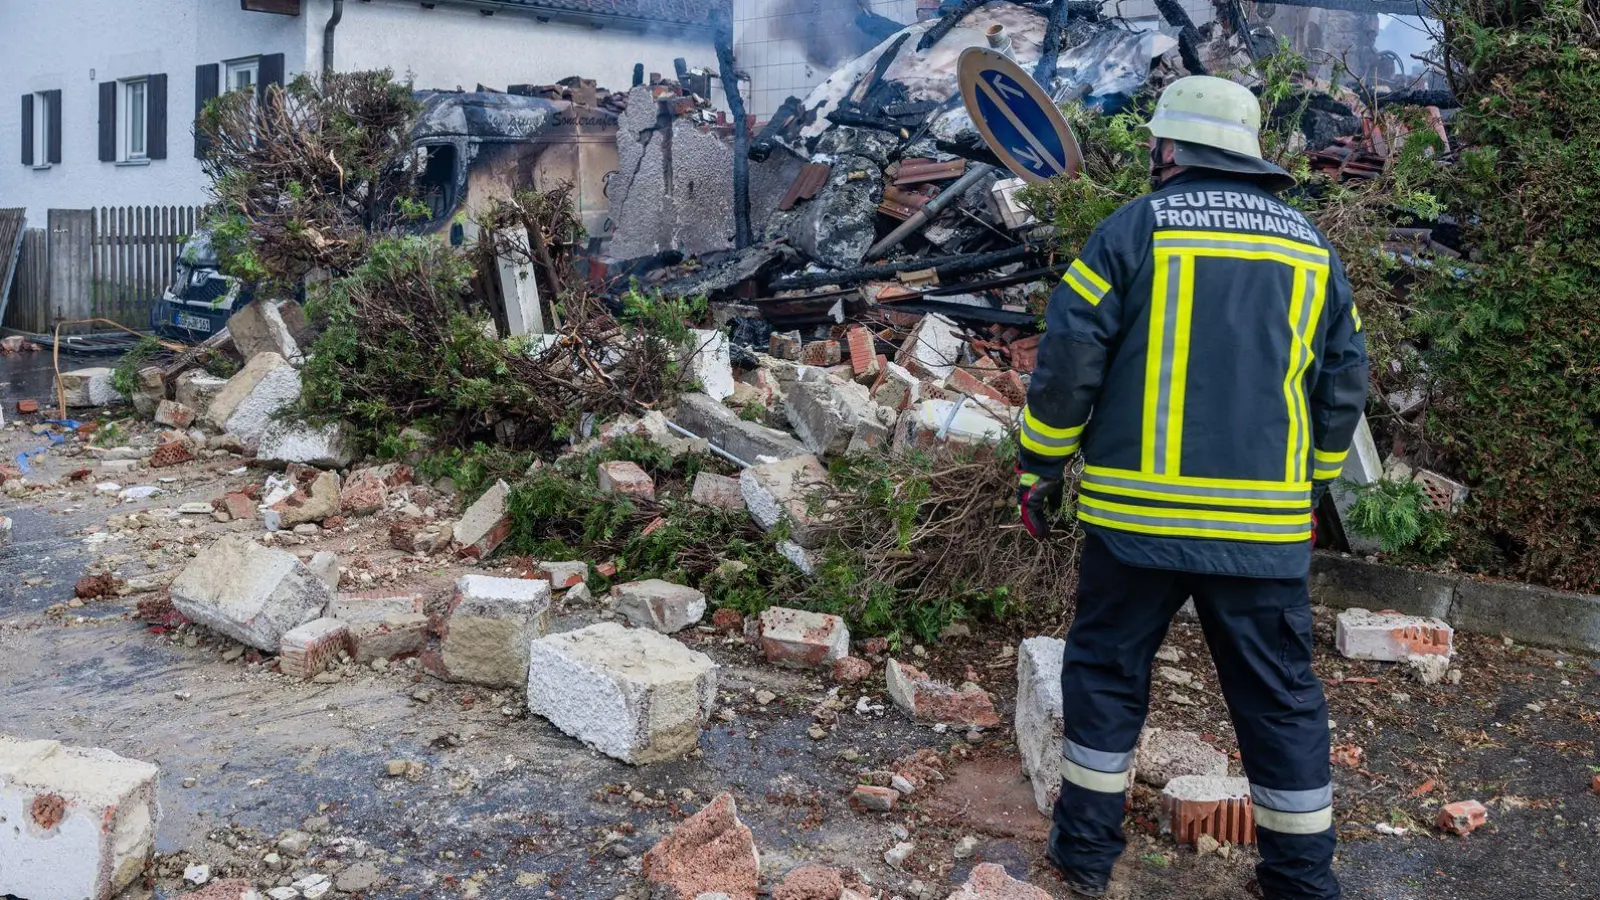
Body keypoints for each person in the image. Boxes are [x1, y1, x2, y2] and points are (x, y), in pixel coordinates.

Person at [1015, 75, 1368, 900]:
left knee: (1104, 678)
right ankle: (1301, 883)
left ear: (1169, 147)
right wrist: (1310, 491)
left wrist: (1040, 466)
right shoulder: (1309, 246)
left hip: (1134, 527)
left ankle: (1085, 861)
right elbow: (1344, 382)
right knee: (1280, 702)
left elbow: (1069, 363)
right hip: (1261, 535)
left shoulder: (1131, 231)